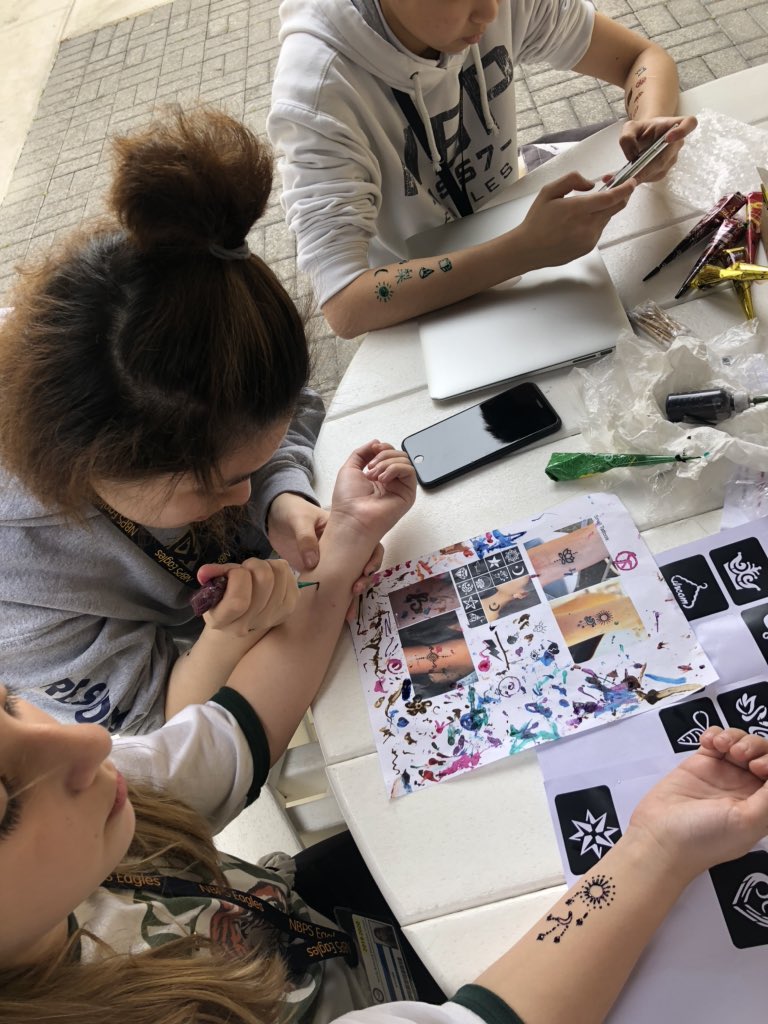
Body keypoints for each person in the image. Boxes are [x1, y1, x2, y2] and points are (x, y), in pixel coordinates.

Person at [2, 586, 768, 1024]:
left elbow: (233, 731)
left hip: (317, 924)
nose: (90, 745)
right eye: (4, 807)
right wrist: (657, 850)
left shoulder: (78, 815)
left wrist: (336, 568)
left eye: (9, 705)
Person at [0, 108, 379, 735]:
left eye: (250, 469)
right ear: (87, 466)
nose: (239, 494)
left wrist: (280, 495)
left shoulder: (184, 341)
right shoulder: (20, 581)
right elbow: (161, 732)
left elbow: (279, 415)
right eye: (214, 485)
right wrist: (229, 633)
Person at [267, 0, 698, 339]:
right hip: (417, 291)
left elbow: (641, 57)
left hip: (519, 220)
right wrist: (526, 250)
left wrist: (648, 121)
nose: (491, 12)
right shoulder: (317, 93)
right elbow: (346, 303)